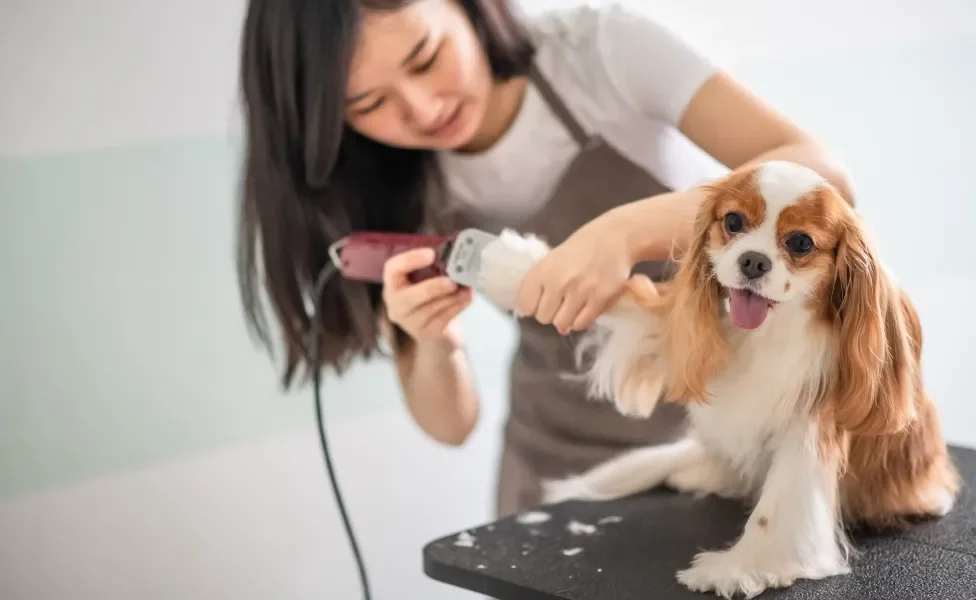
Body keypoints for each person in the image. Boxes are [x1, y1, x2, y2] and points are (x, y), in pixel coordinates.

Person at [235, 0, 856, 518]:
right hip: (558, 466)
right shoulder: (392, 180)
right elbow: (450, 425)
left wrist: (626, 232)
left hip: (736, 442)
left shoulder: (603, 53)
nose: (423, 110)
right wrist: (434, 344)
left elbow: (821, 175)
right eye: (367, 104)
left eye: (425, 58)